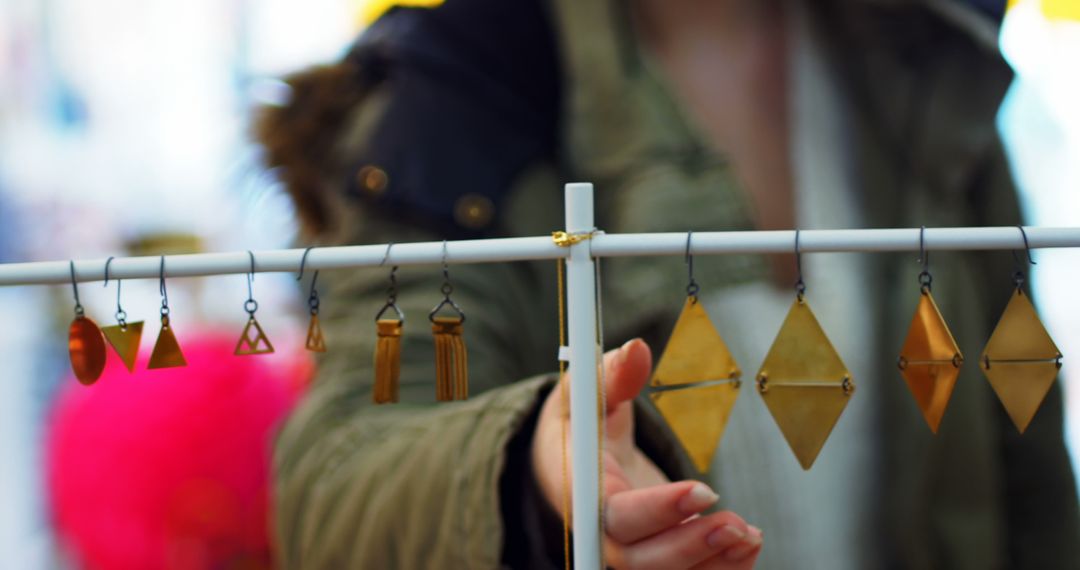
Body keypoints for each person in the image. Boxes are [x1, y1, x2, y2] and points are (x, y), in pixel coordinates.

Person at [257, 0, 1080, 568]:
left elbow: (1029, 460)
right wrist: (528, 469)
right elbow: (335, 490)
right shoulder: (451, 105)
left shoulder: (929, 68)